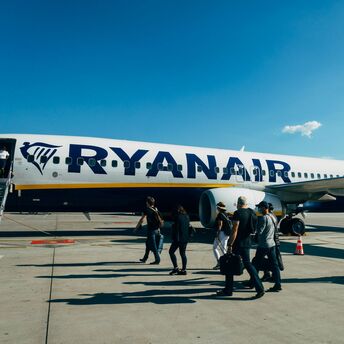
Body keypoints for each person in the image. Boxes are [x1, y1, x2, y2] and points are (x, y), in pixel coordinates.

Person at [217, 196, 264, 298]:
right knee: (248, 265)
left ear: (238, 203)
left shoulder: (238, 213)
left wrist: (230, 244)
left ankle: (228, 290)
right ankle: (259, 288)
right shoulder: (251, 212)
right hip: (247, 242)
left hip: (238, 243)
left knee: (230, 265)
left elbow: (235, 230)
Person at [253, 201, 282, 292]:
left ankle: (253, 282)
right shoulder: (273, 217)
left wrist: (255, 236)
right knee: (275, 265)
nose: (259, 209)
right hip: (272, 244)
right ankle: (278, 284)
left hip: (263, 245)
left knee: (255, 264)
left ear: (265, 208)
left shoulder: (263, 218)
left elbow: (259, 232)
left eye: (260, 207)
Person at [135, 196, 162, 265]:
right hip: (156, 230)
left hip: (151, 231)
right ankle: (145, 258)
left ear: (147, 203)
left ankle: (157, 259)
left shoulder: (147, 210)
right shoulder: (156, 209)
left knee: (153, 246)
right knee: (147, 244)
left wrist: (136, 227)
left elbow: (142, 220)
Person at [169, 205, 190, 275]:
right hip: (185, 238)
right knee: (183, 254)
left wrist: (175, 239)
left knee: (171, 252)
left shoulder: (177, 217)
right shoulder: (187, 216)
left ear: (178, 210)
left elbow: (177, 229)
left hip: (178, 239)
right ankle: (184, 269)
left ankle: (176, 268)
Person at [212, 202, 231, 270]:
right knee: (223, 248)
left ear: (219, 208)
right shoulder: (225, 214)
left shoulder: (220, 215)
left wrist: (217, 234)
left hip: (222, 233)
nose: (217, 208)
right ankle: (227, 263)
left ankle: (219, 263)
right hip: (227, 233)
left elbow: (220, 225)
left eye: (217, 207)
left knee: (215, 247)